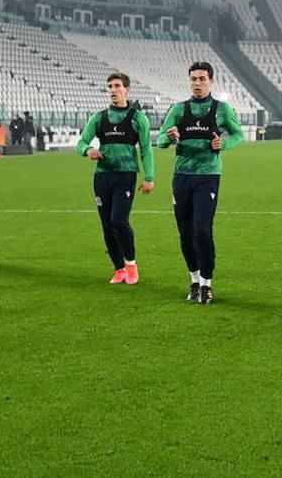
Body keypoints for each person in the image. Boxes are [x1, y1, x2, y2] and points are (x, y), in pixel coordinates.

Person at [156, 62, 243, 305]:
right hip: (182, 176)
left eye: (202, 79)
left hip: (208, 175)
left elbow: (238, 134)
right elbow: (161, 140)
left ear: (211, 81)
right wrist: (169, 137)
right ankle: (194, 281)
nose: (197, 83)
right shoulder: (179, 109)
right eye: (193, 79)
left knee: (202, 230)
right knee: (185, 234)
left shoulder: (222, 109)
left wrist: (222, 144)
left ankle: (207, 283)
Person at [76, 73, 155, 285]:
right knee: (106, 225)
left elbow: (146, 150)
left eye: (117, 86)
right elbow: (81, 142)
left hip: (126, 175)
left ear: (126, 90)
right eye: (110, 86)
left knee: (119, 220)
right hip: (102, 177)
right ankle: (119, 268)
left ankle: (131, 263)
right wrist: (88, 150)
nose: (113, 90)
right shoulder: (99, 117)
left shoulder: (138, 118)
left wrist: (149, 177)